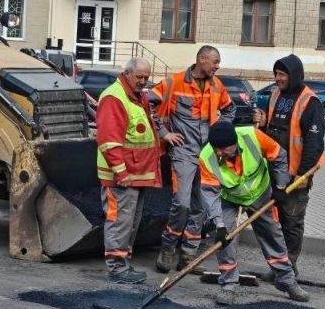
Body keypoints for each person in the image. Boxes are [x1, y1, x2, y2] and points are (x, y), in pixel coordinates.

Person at [199, 120, 311, 305]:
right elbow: (209, 194)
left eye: (223, 148)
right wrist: (218, 223)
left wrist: (281, 186)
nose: (219, 153)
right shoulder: (206, 157)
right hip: (230, 197)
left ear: (234, 143)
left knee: (272, 235)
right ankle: (228, 284)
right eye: (215, 148)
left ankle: (287, 282)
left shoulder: (252, 136)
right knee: (224, 239)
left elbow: (279, 155)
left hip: (260, 193)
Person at [149, 45, 236, 274]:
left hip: (208, 154)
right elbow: (148, 104)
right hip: (183, 151)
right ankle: (168, 248)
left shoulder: (217, 86)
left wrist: (219, 131)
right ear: (202, 59)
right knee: (183, 203)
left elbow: (230, 109)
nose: (218, 67)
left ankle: (188, 254)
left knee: (201, 206)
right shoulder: (174, 83)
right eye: (215, 62)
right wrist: (164, 133)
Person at [252, 54, 325, 281]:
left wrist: (302, 175)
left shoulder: (309, 101)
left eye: (282, 74)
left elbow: (314, 144)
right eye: (276, 74)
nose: (277, 79)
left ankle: (289, 268)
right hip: (274, 172)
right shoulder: (276, 94)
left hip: (295, 175)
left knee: (292, 222)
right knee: (276, 222)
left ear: (293, 75)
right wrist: (263, 123)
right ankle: (279, 267)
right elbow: (275, 129)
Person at [95, 57, 161, 284]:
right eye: (139, 77)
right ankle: (116, 268)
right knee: (119, 221)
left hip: (136, 174)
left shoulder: (137, 96)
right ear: (127, 74)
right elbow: (109, 141)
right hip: (122, 177)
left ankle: (123, 264)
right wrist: (121, 172)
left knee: (129, 221)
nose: (143, 81)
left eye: (146, 77)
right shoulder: (115, 97)